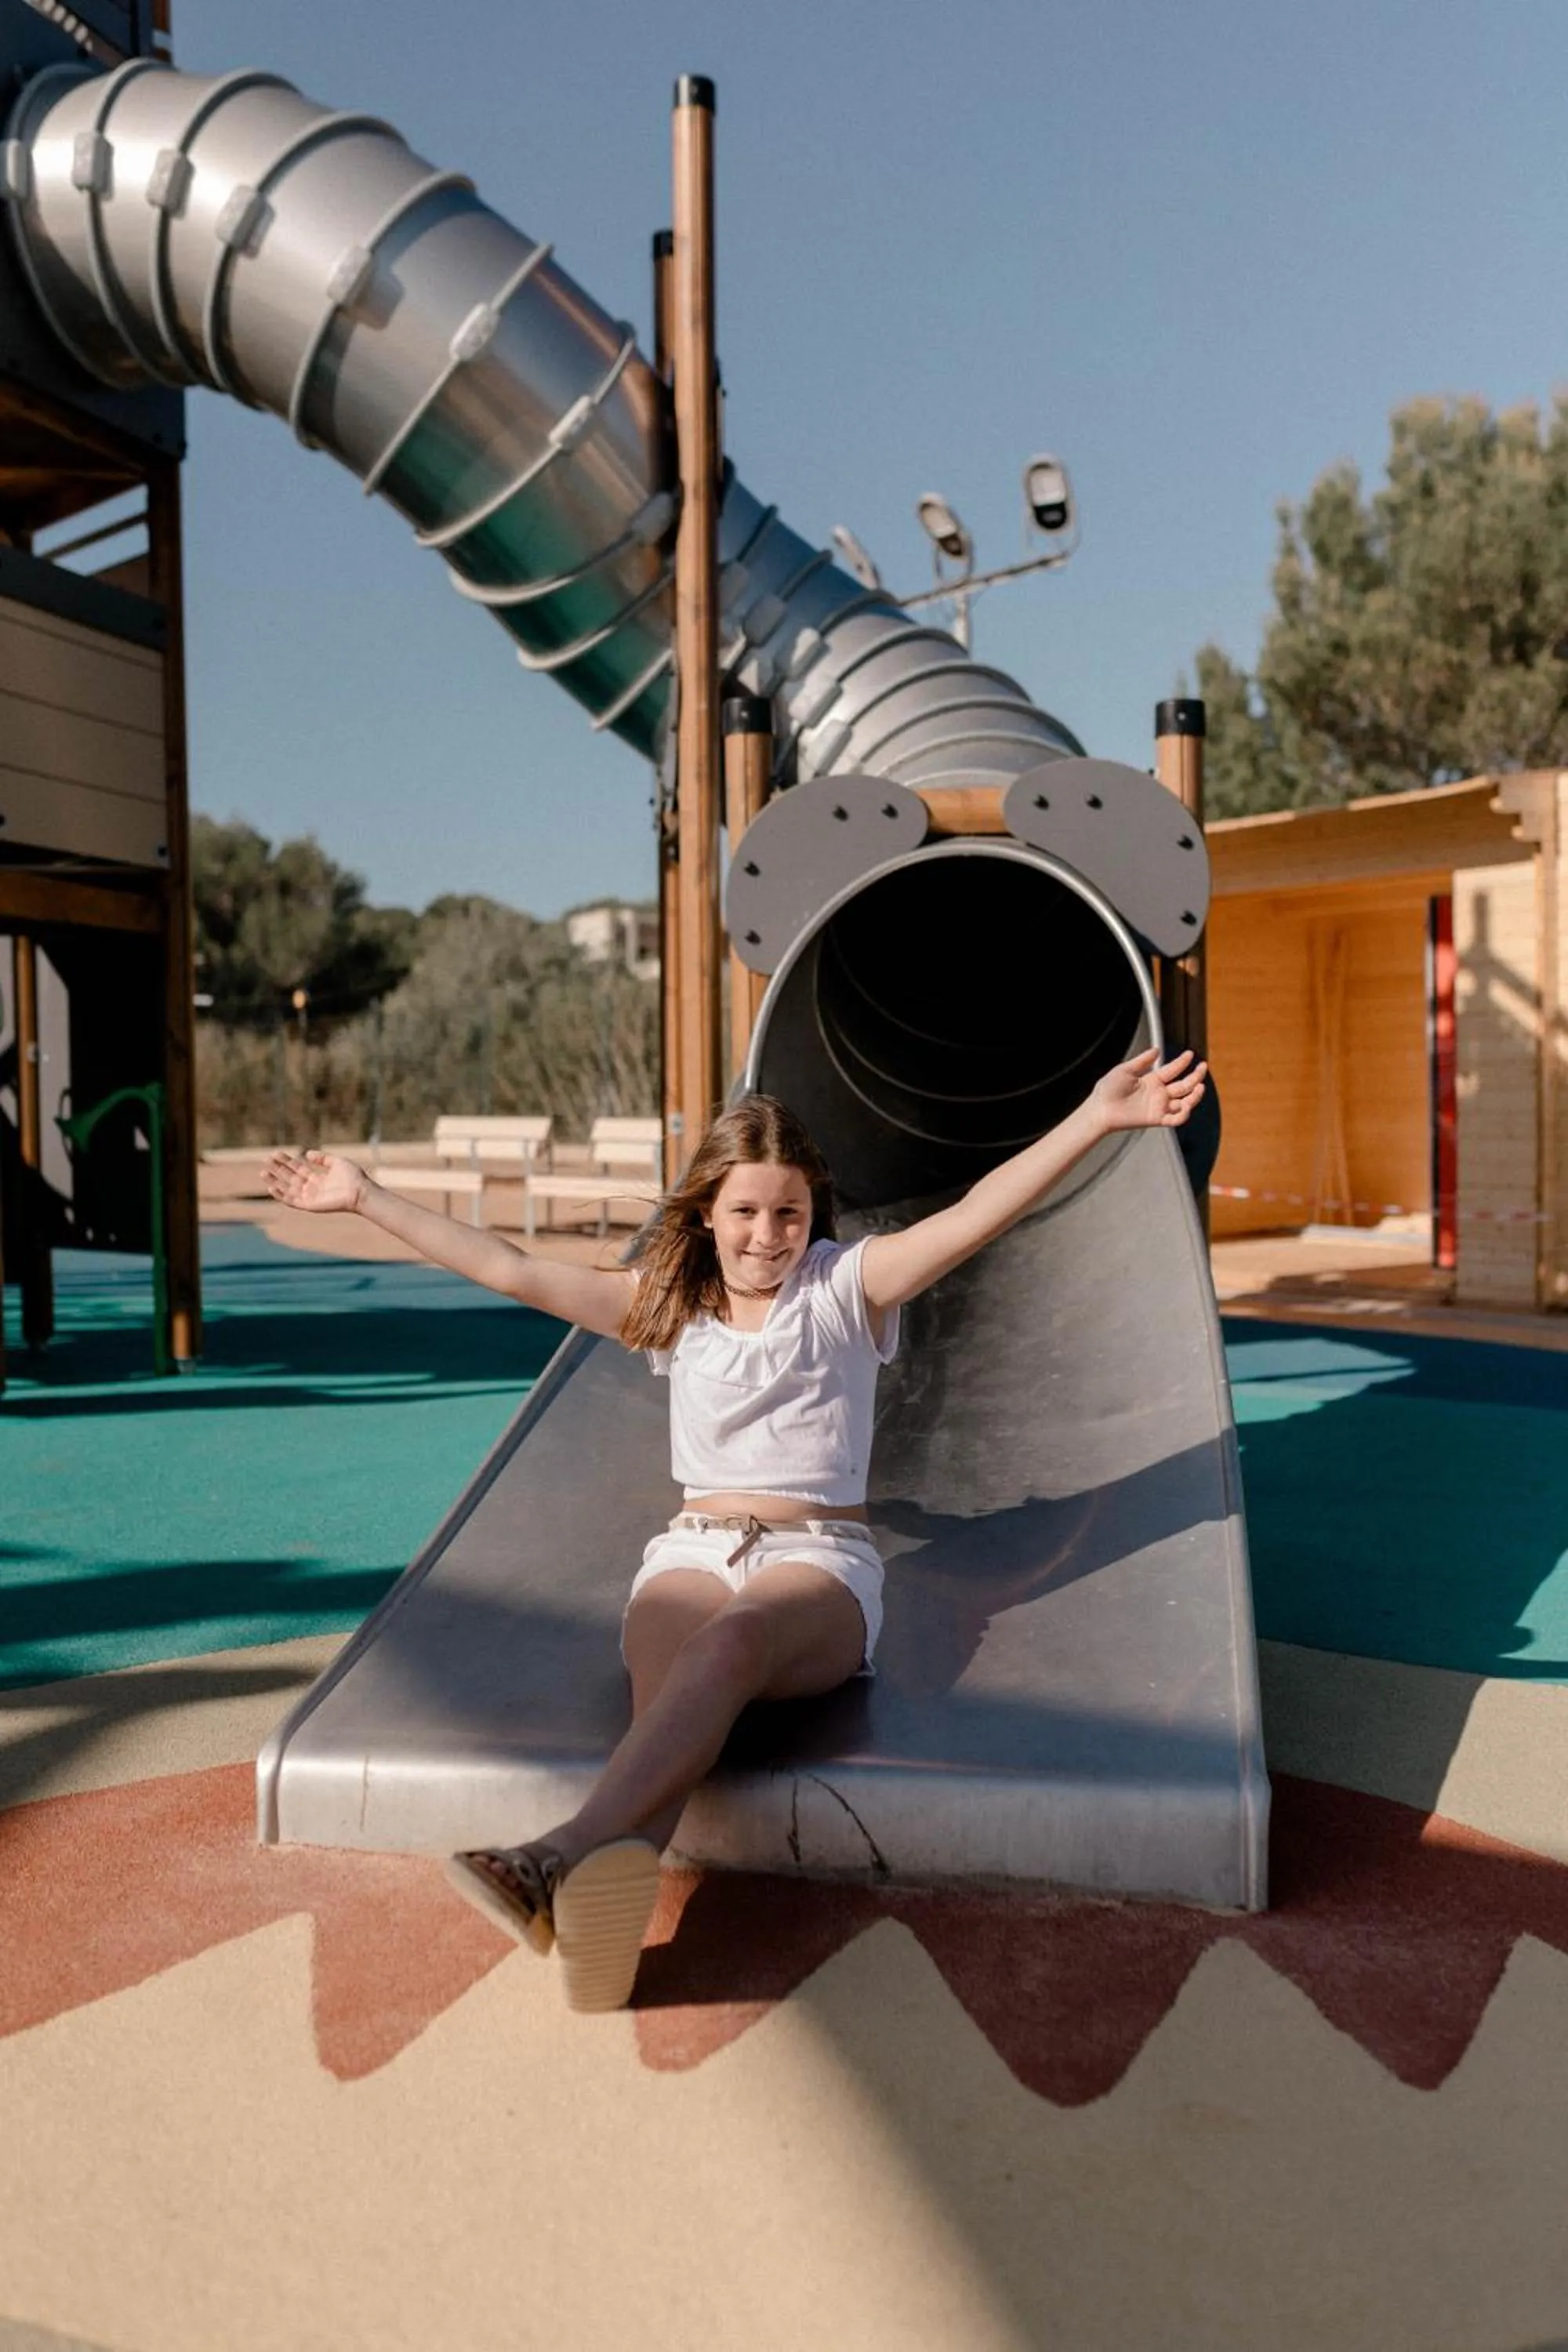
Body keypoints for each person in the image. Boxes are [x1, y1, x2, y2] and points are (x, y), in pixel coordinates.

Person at [263, 1045, 1206, 2012]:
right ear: (706, 1211)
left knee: (733, 1644)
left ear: (812, 1213)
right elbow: (511, 1268)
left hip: (818, 1566)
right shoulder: (669, 1308)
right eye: (746, 1211)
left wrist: (1094, 1118)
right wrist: (366, 1195)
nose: (766, 1235)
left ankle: (553, 1854)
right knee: (668, 1699)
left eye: (787, 1212)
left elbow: (971, 1217)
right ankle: (600, 1918)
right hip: (688, 1551)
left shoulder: (845, 1289)